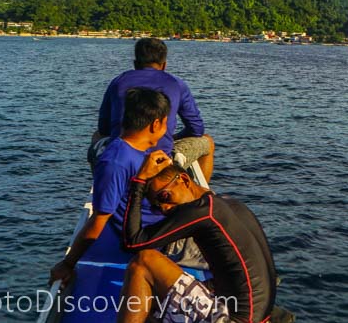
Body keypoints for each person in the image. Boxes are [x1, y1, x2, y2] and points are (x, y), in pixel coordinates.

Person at [117, 151, 277, 323]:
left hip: (233, 319)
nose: (164, 208)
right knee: (151, 296)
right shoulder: (231, 204)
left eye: (165, 197)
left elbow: (132, 242)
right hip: (259, 316)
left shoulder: (202, 212)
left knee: (143, 261)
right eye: (156, 206)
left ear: (184, 180)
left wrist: (138, 183)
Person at [50, 87, 177, 286]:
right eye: (166, 122)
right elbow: (99, 220)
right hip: (161, 239)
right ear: (156, 124)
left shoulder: (143, 155)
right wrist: (68, 263)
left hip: (165, 228)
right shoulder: (116, 162)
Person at [91, 38, 214, 181]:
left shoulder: (118, 82)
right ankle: (199, 195)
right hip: (161, 156)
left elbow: (104, 128)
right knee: (208, 141)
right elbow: (196, 129)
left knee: (97, 136)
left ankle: (106, 179)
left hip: (122, 153)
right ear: (164, 65)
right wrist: (171, 137)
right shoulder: (177, 84)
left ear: (135, 64)